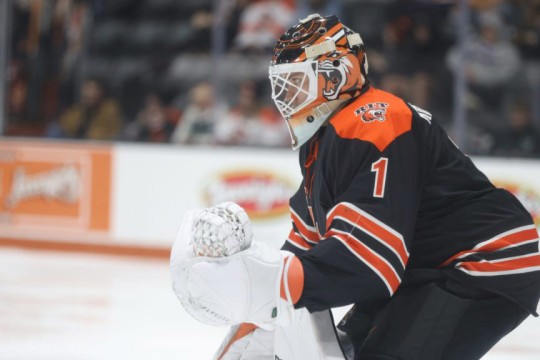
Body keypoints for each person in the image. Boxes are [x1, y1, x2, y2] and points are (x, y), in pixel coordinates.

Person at [171, 14, 540, 360]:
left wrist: (268, 283)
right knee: (345, 349)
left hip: (484, 262)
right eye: (282, 84)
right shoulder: (324, 141)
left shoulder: (376, 121)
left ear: (337, 76)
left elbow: (370, 262)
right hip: (425, 265)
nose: (284, 96)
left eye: (296, 82)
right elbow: (309, 246)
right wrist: (257, 315)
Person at [50, 78, 122, 140]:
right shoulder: (80, 108)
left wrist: (91, 134)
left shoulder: (109, 108)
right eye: (87, 89)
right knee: (55, 129)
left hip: (99, 143)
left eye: (92, 89)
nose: (88, 93)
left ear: (101, 91)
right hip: (76, 140)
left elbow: (113, 131)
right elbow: (65, 124)